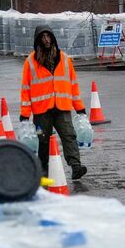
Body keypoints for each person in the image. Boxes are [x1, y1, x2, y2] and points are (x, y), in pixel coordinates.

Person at [20, 26, 87, 179]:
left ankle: (76, 166)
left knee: (69, 135)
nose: (46, 40)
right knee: (42, 140)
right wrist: (25, 115)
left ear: (53, 38)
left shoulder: (64, 59)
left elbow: (73, 85)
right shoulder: (30, 62)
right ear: (38, 40)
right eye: (43, 37)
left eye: (48, 36)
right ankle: (43, 169)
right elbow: (25, 89)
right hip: (41, 111)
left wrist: (80, 108)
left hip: (62, 107)